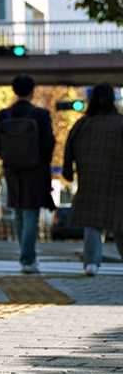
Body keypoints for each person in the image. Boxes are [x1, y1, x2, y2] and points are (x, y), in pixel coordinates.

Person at [0, 74, 56, 274]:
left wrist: (7, 155)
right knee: (30, 214)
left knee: (18, 212)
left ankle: (26, 256)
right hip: (35, 170)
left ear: (14, 91)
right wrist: (40, 159)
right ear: (32, 91)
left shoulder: (4, 115)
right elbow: (49, 142)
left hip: (12, 169)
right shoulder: (41, 115)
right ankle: (27, 259)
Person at [62, 82, 122, 277]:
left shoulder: (83, 124)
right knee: (120, 220)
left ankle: (91, 263)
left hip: (90, 179)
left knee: (92, 221)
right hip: (117, 179)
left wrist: (68, 173)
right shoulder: (120, 122)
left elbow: (68, 147)